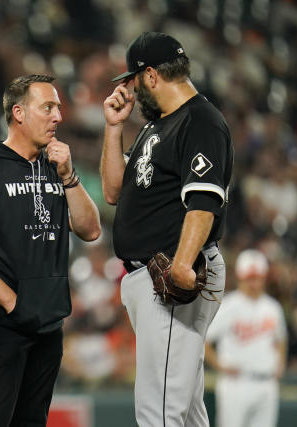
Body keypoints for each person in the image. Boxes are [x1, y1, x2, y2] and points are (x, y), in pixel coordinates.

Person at [0, 74, 101, 426]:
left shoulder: (56, 168)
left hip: (47, 322)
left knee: (32, 422)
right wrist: (12, 303)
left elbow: (90, 229)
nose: (58, 117)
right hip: (0, 323)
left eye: (59, 108)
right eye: (47, 107)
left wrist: (68, 175)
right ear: (18, 112)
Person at [100, 31, 233, 426]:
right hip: (152, 275)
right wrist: (113, 128)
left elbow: (204, 202)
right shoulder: (157, 125)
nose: (131, 88)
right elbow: (113, 191)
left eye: (134, 79)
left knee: (158, 412)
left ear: (152, 75)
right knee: (186, 411)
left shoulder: (200, 120)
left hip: (172, 277)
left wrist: (182, 264)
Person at [205, 249, 287, 427]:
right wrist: (220, 365)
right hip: (236, 383)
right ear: (240, 278)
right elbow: (205, 341)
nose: (254, 283)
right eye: (249, 278)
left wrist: (280, 362)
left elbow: (281, 339)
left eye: (257, 277)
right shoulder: (229, 306)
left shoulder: (272, 307)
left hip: (267, 383)